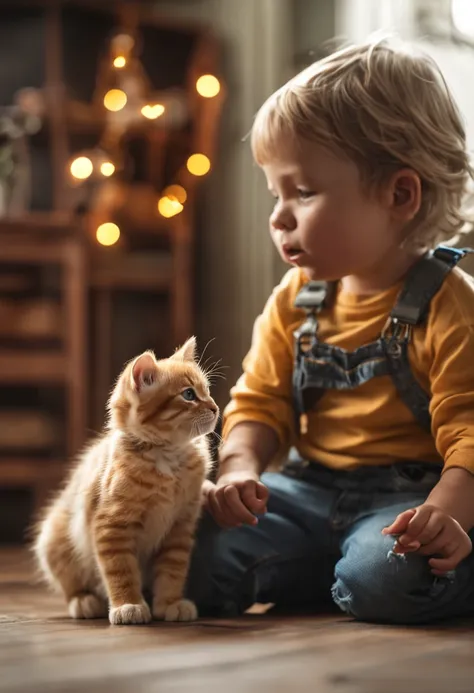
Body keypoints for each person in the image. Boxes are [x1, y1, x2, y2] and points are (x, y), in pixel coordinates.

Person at [187, 37, 474, 624]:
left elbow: (469, 432)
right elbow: (258, 403)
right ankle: (333, 565)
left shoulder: (450, 305)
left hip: (409, 501)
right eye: (275, 193)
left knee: (391, 571)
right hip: (305, 492)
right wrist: (239, 468)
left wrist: (444, 513)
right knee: (184, 553)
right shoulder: (297, 300)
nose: (278, 216)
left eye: (304, 191)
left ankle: (376, 567)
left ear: (399, 194)